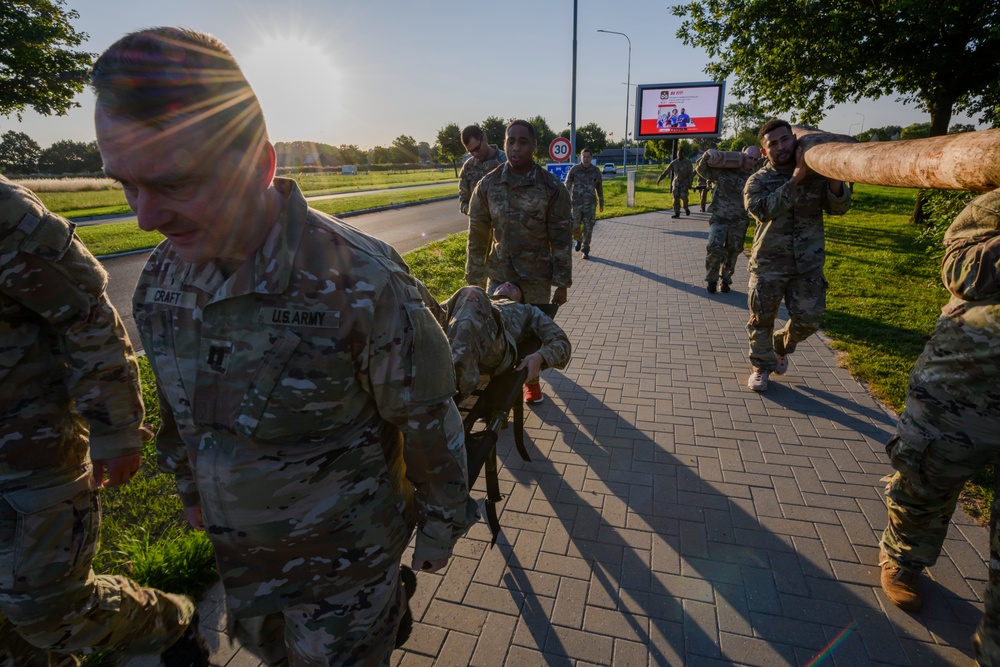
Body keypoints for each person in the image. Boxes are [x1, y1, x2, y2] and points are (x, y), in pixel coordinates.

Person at [91, 28, 476, 666]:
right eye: (124, 185)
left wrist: (441, 524)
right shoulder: (161, 279)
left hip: (344, 575)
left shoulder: (361, 281)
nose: (144, 217)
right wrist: (190, 492)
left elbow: (428, 416)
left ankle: (385, 612)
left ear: (261, 165)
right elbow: (177, 410)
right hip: (242, 564)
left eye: (174, 183)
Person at [0, 176, 204, 666]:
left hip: (27, 457)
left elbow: (85, 314)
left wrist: (115, 427)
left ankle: (169, 625)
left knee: (51, 611)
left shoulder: (4, 212)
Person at [878, 188, 1000, 664]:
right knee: (925, 481)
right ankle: (904, 557)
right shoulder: (994, 204)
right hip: (965, 387)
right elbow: (960, 268)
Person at [466, 119, 573, 405]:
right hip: (499, 274)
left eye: (522, 141)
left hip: (537, 277)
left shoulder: (551, 187)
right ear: (503, 143)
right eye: (510, 141)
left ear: (534, 145)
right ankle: (492, 399)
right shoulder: (487, 185)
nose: (515, 147)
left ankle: (531, 383)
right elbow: (478, 235)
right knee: (493, 334)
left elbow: (561, 239)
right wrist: (473, 280)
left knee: (531, 337)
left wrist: (562, 283)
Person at [742, 119, 851, 392]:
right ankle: (761, 367)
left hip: (808, 263)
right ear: (764, 151)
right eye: (773, 144)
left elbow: (838, 208)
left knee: (809, 320)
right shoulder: (758, 180)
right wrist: (796, 177)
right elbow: (762, 210)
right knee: (761, 318)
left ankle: (781, 346)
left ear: (794, 139)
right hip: (769, 263)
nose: (781, 147)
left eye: (785, 140)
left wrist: (833, 173)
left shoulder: (816, 175)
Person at [439, 282, 571, 399]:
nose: (507, 284)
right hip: (447, 335)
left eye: (514, 287)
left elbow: (562, 342)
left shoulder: (527, 310)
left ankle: (454, 383)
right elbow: (439, 313)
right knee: (417, 288)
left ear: (520, 300)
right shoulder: (476, 301)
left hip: (496, 342)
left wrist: (540, 356)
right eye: (503, 284)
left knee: (473, 291)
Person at [695, 146, 762, 294]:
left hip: (739, 220)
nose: (751, 161)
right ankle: (711, 279)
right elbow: (703, 171)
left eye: (755, 159)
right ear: (742, 154)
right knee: (714, 247)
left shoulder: (756, 177)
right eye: (749, 157)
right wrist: (707, 155)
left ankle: (725, 279)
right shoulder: (725, 169)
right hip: (719, 217)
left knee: (733, 252)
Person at [564, 147, 605, 259]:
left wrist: (601, 203)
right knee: (574, 226)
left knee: (588, 228)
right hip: (576, 204)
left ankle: (585, 249)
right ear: (580, 157)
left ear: (591, 158)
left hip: (590, 205)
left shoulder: (596, 171)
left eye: (588, 157)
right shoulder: (574, 170)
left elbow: (600, 189)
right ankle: (578, 239)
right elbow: (567, 185)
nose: (586, 159)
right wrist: (564, 199)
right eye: (584, 157)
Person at [458, 125, 506, 216]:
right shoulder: (468, 167)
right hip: (480, 228)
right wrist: (469, 210)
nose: (475, 154)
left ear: (484, 138)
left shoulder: (506, 162)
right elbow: (463, 200)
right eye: (470, 151)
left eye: (477, 149)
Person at [656, 150, 694, 218]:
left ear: (683, 154)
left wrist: (690, 182)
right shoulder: (674, 162)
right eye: (678, 154)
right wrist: (660, 179)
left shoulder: (687, 162)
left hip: (684, 183)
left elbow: (691, 173)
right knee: (675, 197)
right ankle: (677, 213)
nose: (679, 155)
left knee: (683, 196)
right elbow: (666, 171)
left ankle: (686, 208)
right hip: (676, 183)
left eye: (680, 154)